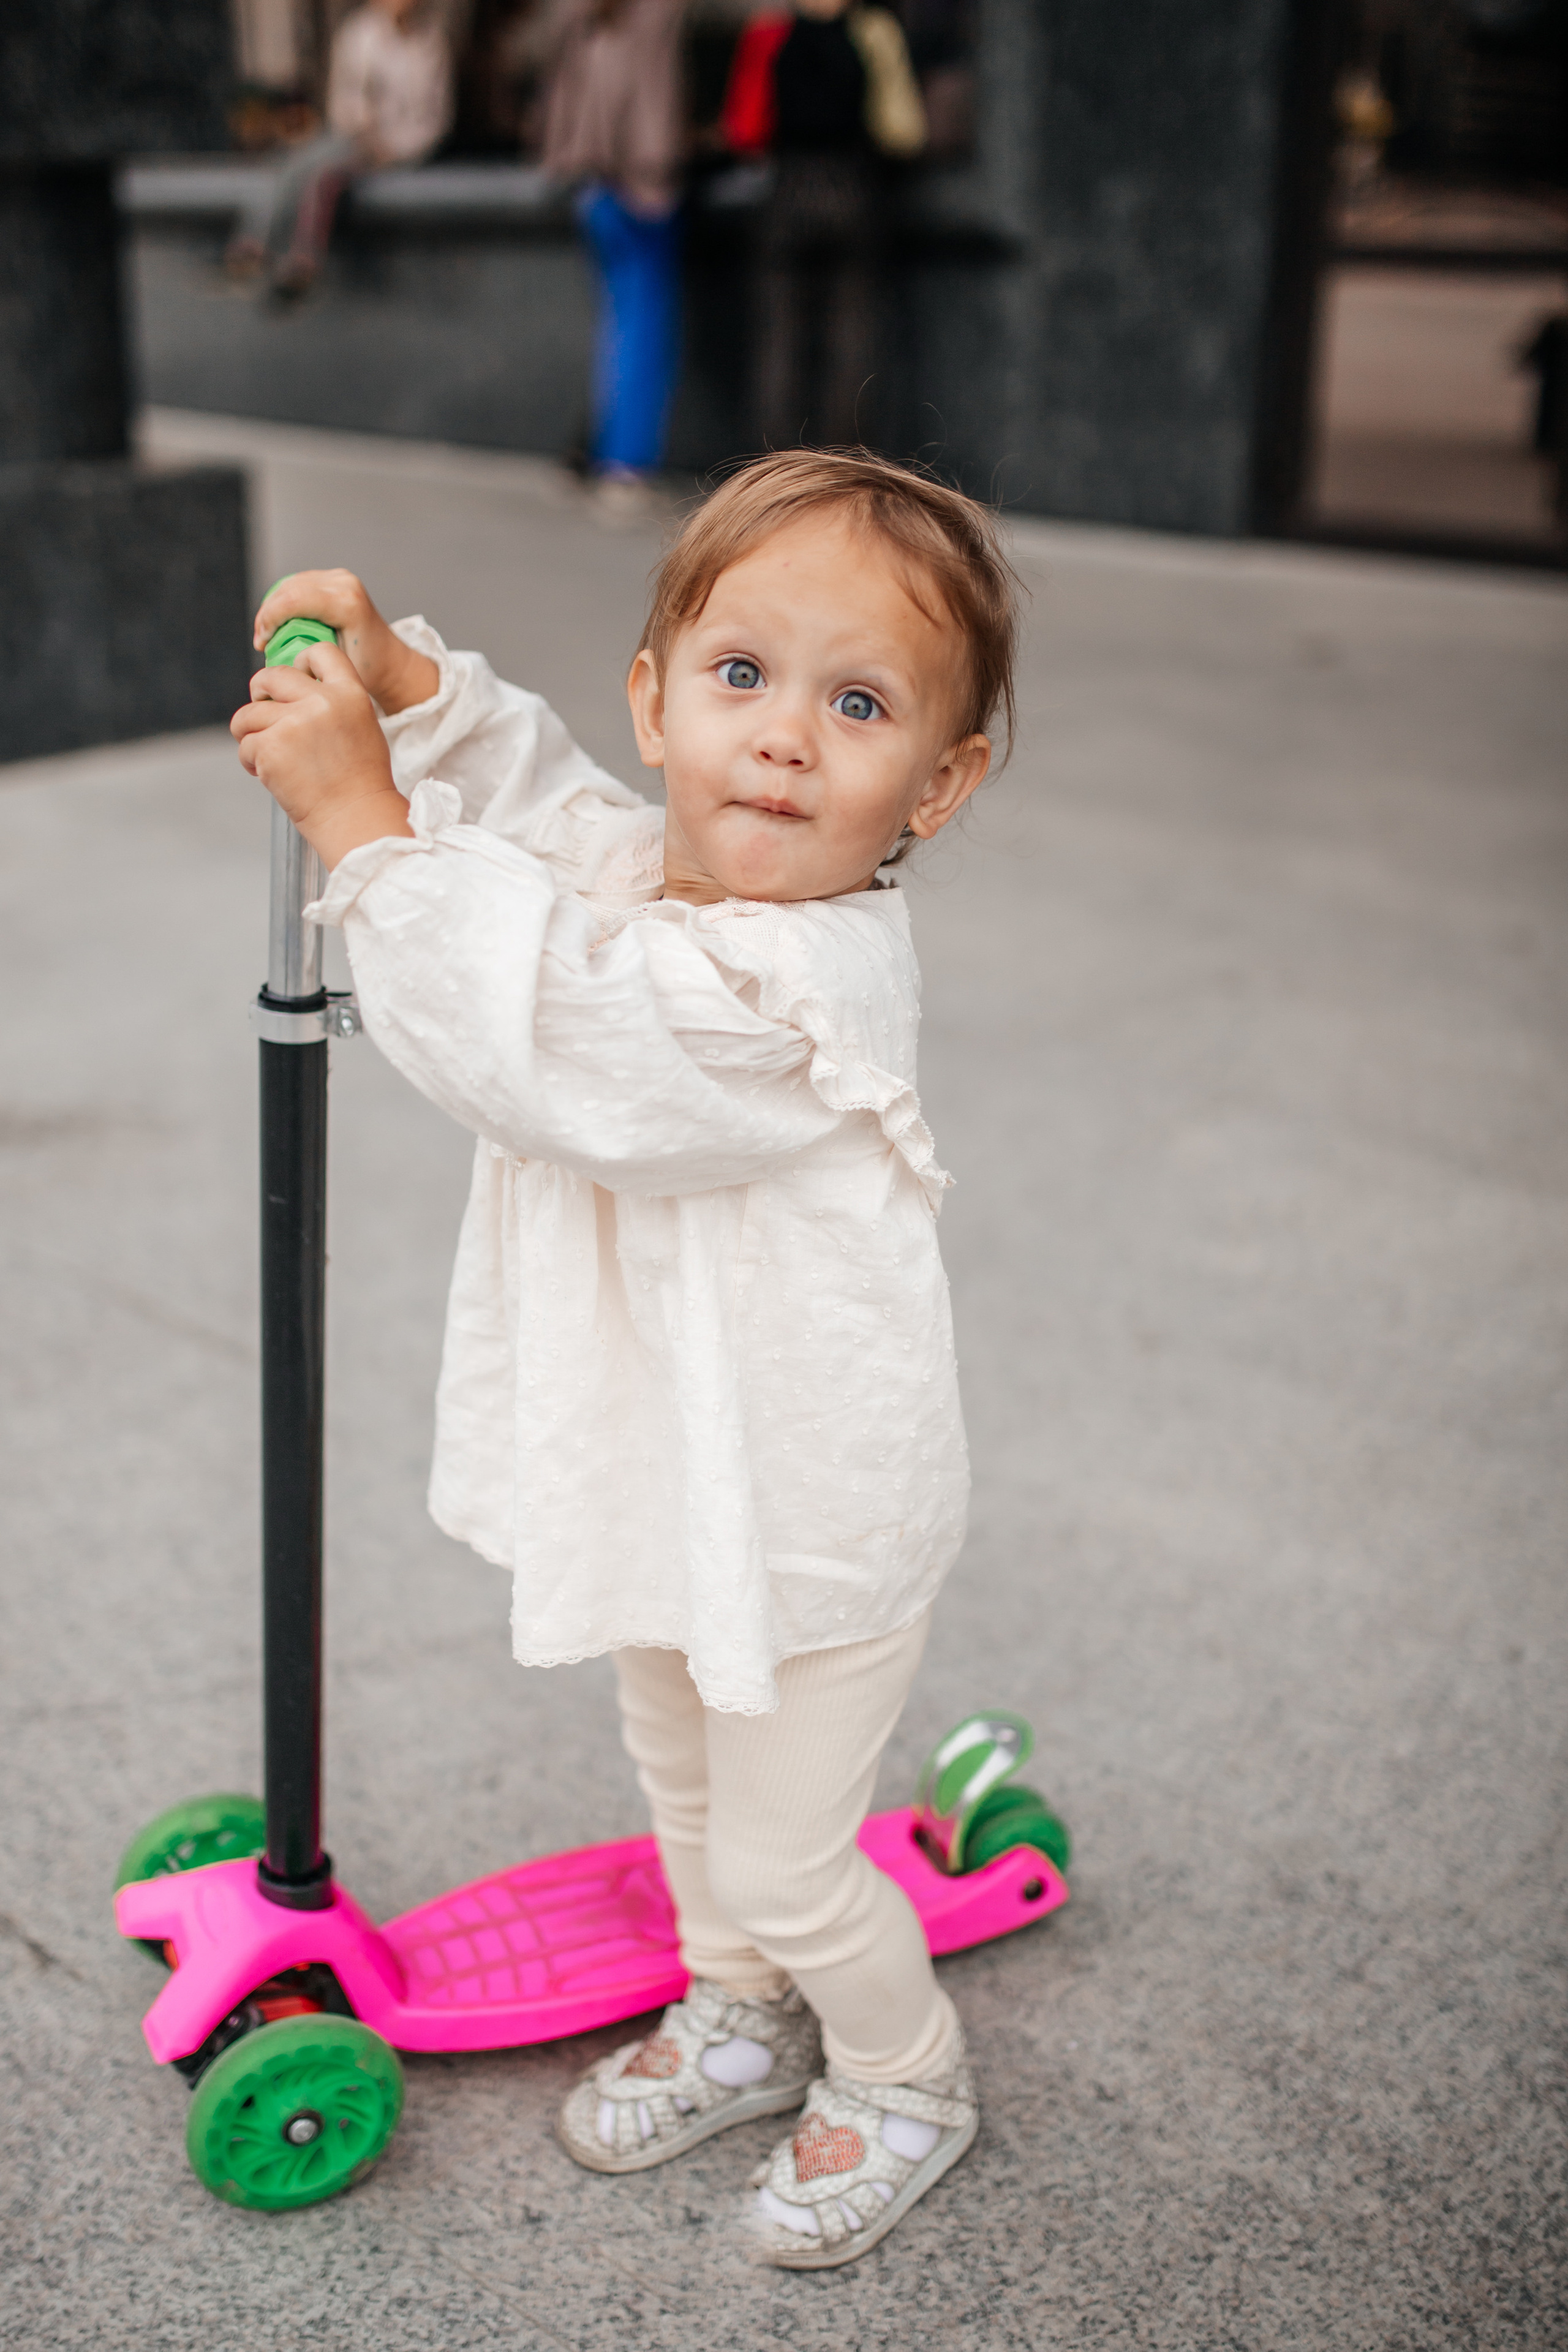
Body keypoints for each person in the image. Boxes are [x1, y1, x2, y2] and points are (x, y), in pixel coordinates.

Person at [231, 446, 1020, 2264]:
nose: (784, 738)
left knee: (785, 1856)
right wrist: (413, 696)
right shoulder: (647, 863)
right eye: (742, 676)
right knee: (678, 1773)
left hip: (808, 1524)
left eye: (857, 704)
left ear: (939, 779)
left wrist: (366, 832)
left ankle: (901, 2071)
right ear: (656, 699)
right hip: (679, 1477)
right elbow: (541, 804)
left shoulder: (795, 980)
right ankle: (735, 2009)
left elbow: (559, 1048)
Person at [723, 0, 925, 448]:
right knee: (853, 335)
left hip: (787, 187)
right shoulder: (874, 31)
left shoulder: (769, 31)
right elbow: (902, 130)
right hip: (853, 188)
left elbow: (745, 129)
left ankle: (775, 464)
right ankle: (845, 463)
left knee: (778, 336)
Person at [541, 0, 688, 518]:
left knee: (619, 329)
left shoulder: (584, 17)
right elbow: (655, 102)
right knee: (645, 332)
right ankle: (626, 465)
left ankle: (599, 453)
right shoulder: (653, 16)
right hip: (641, 188)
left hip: (593, 182)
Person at [227, 0, 453, 298]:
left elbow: (436, 116)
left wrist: (399, 148)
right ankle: (255, 245)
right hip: (358, 137)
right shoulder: (360, 33)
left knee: (324, 177)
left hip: (402, 148)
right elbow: (347, 101)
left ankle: (303, 259)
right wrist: (365, 131)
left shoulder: (431, 42)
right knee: (297, 164)